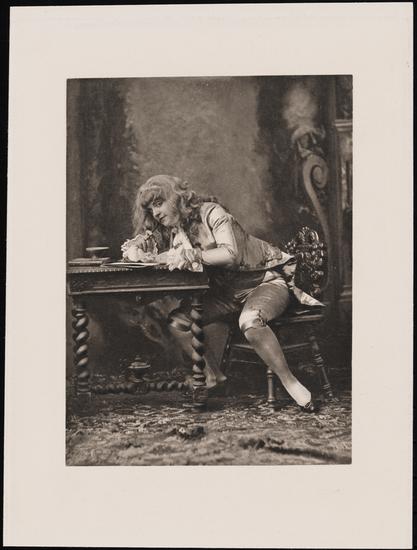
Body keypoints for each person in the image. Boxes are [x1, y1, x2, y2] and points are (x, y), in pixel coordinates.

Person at [122, 174, 324, 412]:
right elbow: (167, 256)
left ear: (176, 198)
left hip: (263, 282)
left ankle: (290, 383)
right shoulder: (177, 231)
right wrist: (141, 250)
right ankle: (213, 376)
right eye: (151, 209)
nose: (155, 213)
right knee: (178, 322)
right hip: (227, 295)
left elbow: (231, 255)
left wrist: (191, 255)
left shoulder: (212, 213)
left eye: (159, 203)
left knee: (250, 320)